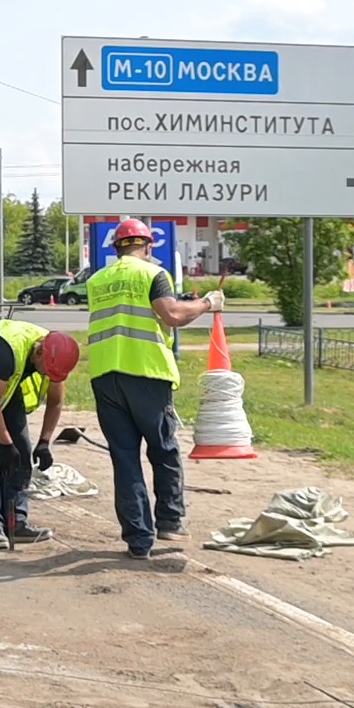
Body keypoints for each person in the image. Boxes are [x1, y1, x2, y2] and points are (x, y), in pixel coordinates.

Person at [85, 219, 222, 559]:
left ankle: (137, 539)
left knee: (125, 458)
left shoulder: (96, 279)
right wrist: (206, 304)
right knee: (163, 450)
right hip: (146, 373)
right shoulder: (151, 274)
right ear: (147, 247)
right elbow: (171, 314)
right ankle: (171, 522)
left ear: (116, 247)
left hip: (105, 374)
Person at [0, 321, 80, 549]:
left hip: (6, 385)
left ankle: (16, 522)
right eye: (47, 371)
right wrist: (5, 442)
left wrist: (44, 442)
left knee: (22, 454)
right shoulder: (7, 352)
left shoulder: (56, 355)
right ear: (39, 353)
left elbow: (56, 401)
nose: (48, 376)